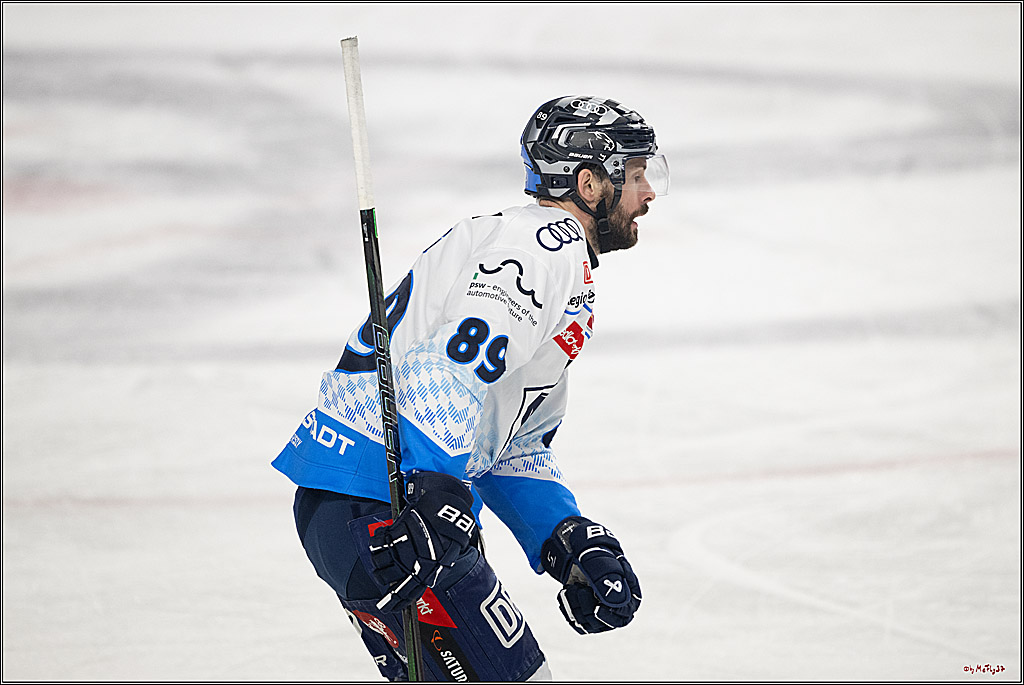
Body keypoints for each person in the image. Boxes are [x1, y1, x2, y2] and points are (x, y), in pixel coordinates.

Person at [272, 95, 669, 681]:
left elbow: (509, 446)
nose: (649, 192)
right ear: (589, 183)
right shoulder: (543, 247)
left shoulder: (547, 263)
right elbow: (452, 366)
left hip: (372, 506)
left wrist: (564, 537)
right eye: (635, 175)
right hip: (387, 505)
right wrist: (430, 494)